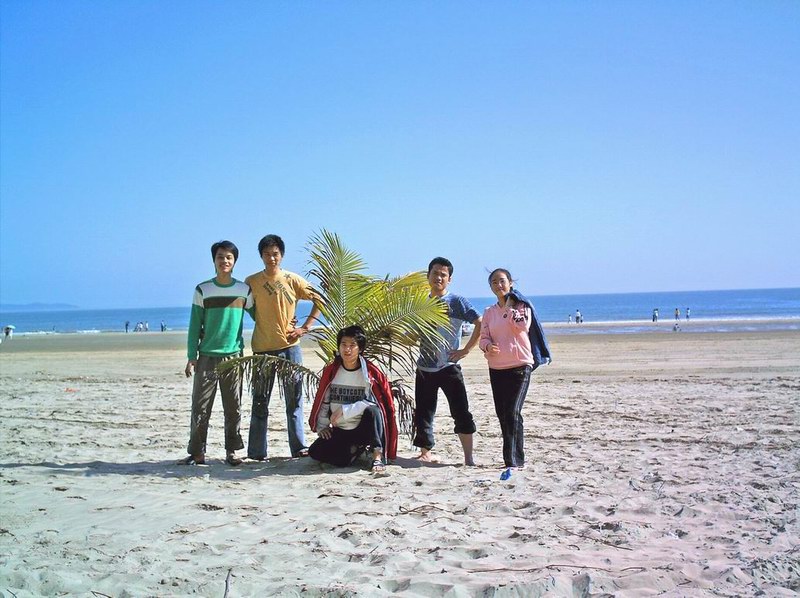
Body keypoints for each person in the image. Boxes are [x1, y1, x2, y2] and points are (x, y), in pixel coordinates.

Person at [246, 234, 322, 460]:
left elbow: (320, 299)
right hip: (262, 348)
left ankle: (298, 447)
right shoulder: (251, 281)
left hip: (290, 348)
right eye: (267, 254)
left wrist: (304, 328)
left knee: (294, 401)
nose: (271, 258)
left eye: (275, 254)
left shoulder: (292, 279)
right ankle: (256, 452)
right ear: (261, 256)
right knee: (260, 401)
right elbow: (243, 307)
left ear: (282, 255)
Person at [180, 240, 253, 466]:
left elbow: (260, 316)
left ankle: (232, 451)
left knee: (234, 407)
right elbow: (195, 325)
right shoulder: (202, 290)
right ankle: (197, 452)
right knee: (200, 407)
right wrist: (191, 356)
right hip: (207, 356)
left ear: (235, 261)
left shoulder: (243, 290)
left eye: (229, 257)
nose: (224, 261)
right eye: (220, 257)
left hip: (234, 356)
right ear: (214, 260)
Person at [479, 268, 550, 469]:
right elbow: (483, 337)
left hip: (520, 366)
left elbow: (522, 326)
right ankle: (513, 460)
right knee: (503, 414)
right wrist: (487, 346)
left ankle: (513, 461)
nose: (498, 285)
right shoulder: (489, 312)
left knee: (512, 412)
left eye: (502, 281)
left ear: (510, 283)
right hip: (496, 367)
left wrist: (510, 307)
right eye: (494, 282)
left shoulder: (522, 307)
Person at [413, 257, 481, 465]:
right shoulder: (420, 304)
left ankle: (468, 457)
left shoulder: (456, 302)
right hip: (425, 367)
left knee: (461, 411)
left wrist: (465, 350)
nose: (439, 277)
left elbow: (479, 322)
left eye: (443, 275)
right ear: (428, 276)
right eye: (435, 273)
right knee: (424, 413)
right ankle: (425, 452)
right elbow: (413, 334)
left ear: (449, 279)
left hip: (449, 366)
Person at [308, 325, 398, 474]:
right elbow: (324, 399)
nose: (347, 349)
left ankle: (377, 456)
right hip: (340, 428)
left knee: (374, 411)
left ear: (360, 349)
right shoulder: (332, 371)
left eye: (352, 345)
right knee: (315, 452)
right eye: (343, 344)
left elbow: (376, 403)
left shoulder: (369, 373)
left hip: (363, 429)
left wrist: (345, 410)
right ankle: (356, 451)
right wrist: (322, 426)